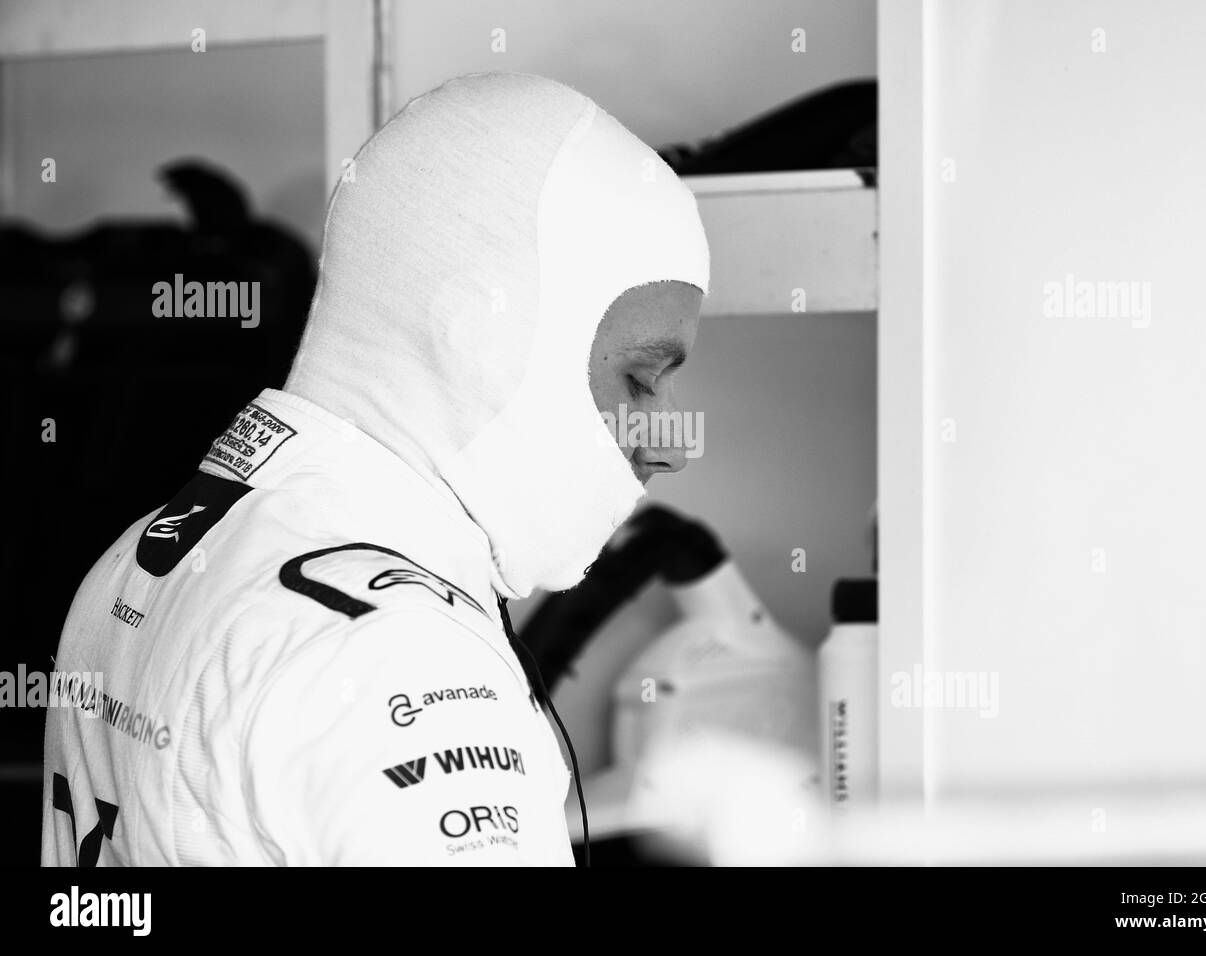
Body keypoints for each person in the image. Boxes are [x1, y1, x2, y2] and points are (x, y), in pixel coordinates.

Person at [41, 71, 709, 866]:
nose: (666, 440)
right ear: (482, 337)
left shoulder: (143, 554)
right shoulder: (405, 662)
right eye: (640, 378)